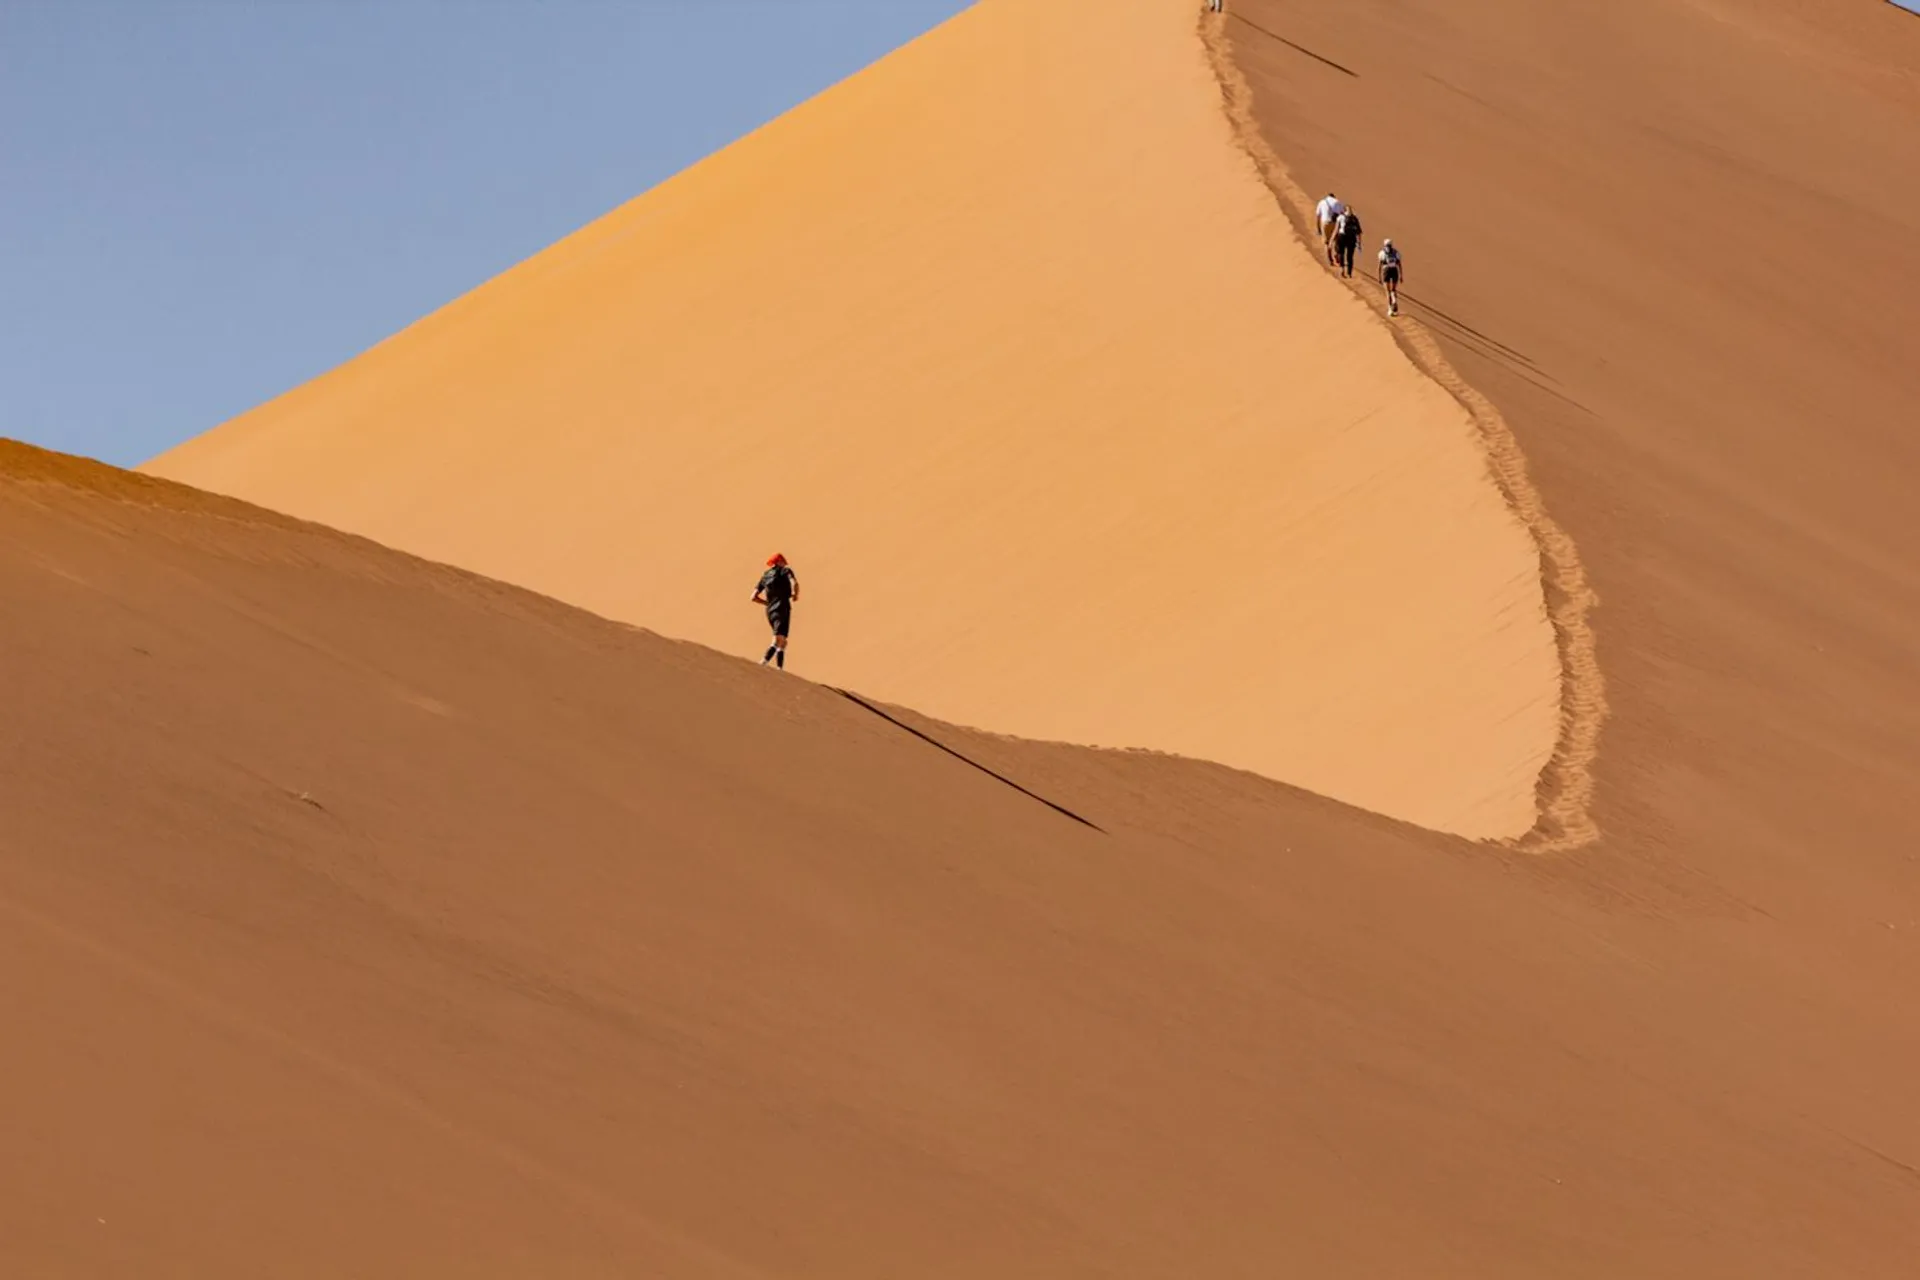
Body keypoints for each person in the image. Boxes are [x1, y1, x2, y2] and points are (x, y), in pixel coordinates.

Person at [752, 553, 799, 669]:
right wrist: (795, 594)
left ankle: (779, 669)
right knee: (777, 640)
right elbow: (795, 583)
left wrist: (767, 604)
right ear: (778, 562)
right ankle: (762, 663)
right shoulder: (785, 571)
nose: (784, 564)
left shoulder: (765, 576)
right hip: (782, 608)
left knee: (783, 641)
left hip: (770, 611)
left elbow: (753, 597)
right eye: (782, 561)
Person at [1314, 192, 1346, 265]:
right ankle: (1337, 255)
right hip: (1336, 224)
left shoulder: (1321, 202)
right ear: (1334, 197)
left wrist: (1318, 228)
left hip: (1325, 223)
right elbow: (1343, 214)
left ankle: (1330, 260)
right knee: (1336, 240)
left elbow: (1318, 216)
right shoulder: (1337, 202)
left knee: (1326, 242)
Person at [1333, 206, 1364, 278]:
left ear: (1344, 210)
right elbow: (1359, 232)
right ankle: (1349, 273)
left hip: (1342, 237)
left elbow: (1336, 230)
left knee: (1341, 254)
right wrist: (1359, 243)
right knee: (1350, 256)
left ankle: (1342, 269)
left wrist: (1332, 239)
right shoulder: (1355, 218)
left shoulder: (1340, 217)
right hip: (1352, 238)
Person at [1378, 237, 1404, 316]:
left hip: (1386, 271)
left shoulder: (1382, 253)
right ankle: (1394, 299)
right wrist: (1401, 275)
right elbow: (1399, 264)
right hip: (1394, 271)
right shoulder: (1396, 252)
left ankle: (1390, 309)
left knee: (1387, 291)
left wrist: (1379, 277)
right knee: (1393, 289)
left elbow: (1379, 265)